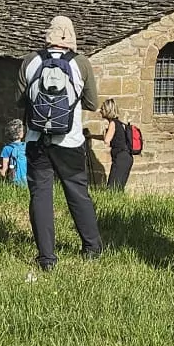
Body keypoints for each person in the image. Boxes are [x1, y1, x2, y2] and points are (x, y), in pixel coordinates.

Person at [20, 18, 103, 270]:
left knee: (41, 195)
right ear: (71, 37)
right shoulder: (81, 63)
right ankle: (92, 247)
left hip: (36, 138)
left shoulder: (29, 61)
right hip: (70, 139)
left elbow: (21, 100)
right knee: (77, 192)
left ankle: (46, 258)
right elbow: (92, 103)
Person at [98, 99, 135, 191]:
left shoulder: (113, 123)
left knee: (112, 188)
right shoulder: (118, 123)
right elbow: (113, 137)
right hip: (126, 158)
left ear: (108, 110)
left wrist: (104, 131)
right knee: (118, 188)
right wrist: (90, 136)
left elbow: (107, 140)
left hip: (121, 158)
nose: (100, 111)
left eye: (102, 109)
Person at [0, 120, 30, 186]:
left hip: (13, 183)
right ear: (21, 134)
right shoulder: (26, 146)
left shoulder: (6, 149)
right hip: (27, 182)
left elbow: (3, 172)